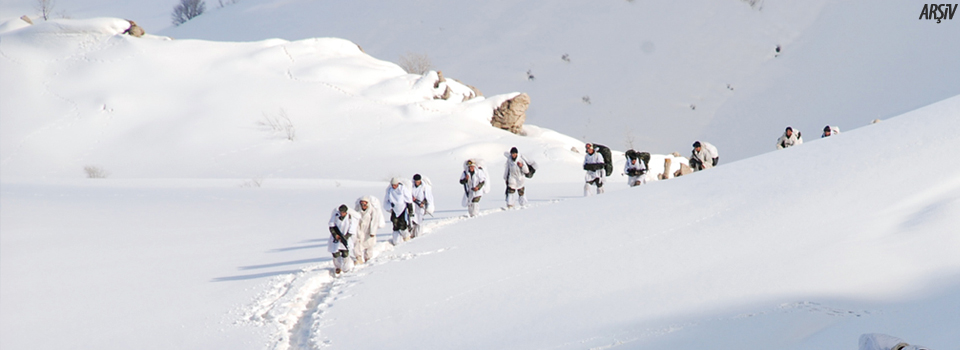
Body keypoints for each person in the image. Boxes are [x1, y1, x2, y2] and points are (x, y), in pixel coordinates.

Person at [353, 195, 384, 264]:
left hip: (368, 230)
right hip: (359, 230)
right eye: (362, 203)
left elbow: (374, 221)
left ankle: (368, 258)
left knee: (369, 244)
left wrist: (372, 232)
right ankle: (359, 258)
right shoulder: (357, 210)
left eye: (365, 203)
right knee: (357, 244)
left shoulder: (372, 211)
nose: (363, 205)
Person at [328, 204, 358, 275]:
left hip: (345, 238)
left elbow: (352, 229)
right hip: (336, 238)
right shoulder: (335, 216)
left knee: (345, 253)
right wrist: (335, 235)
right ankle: (338, 267)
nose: (342, 213)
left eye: (343, 212)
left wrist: (346, 237)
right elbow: (331, 226)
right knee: (335, 253)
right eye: (341, 212)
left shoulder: (350, 218)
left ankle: (346, 269)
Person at [384, 177, 413, 245]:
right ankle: (396, 240)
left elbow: (408, 199)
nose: (394, 186)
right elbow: (386, 201)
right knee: (395, 224)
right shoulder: (390, 190)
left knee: (402, 224)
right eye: (392, 185)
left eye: (395, 185)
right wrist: (390, 207)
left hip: (402, 209)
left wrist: (410, 209)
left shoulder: (402, 189)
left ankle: (406, 237)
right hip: (394, 209)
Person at [410, 174, 434, 238]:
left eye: (418, 181)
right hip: (413, 205)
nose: (417, 183)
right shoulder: (411, 186)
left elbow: (428, 197)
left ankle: (418, 235)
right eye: (416, 181)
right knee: (413, 220)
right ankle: (412, 234)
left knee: (419, 220)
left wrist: (423, 203)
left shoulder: (424, 187)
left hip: (420, 205)